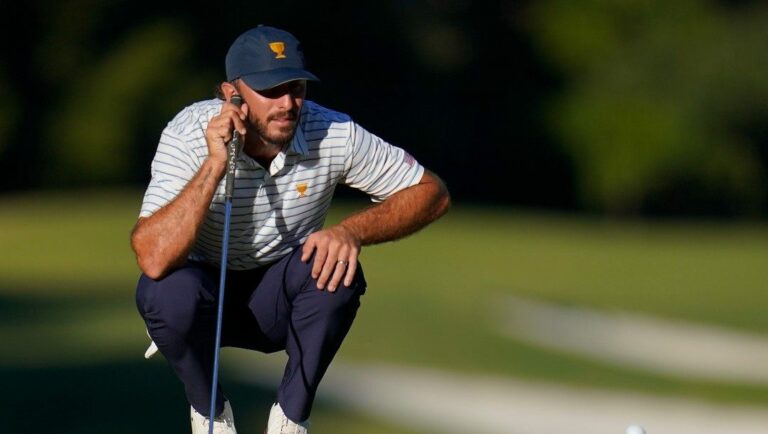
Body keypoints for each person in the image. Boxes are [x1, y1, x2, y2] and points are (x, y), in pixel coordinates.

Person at [131, 25, 450, 434]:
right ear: (230, 94)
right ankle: (211, 413)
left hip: (280, 299)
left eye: (296, 88)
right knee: (163, 291)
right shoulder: (189, 133)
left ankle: (291, 418)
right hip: (203, 303)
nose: (287, 104)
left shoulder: (332, 131)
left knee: (336, 269)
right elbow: (153, 258)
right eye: (271, 91)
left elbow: (431, 192)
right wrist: (213, 164)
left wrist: (350, 232)